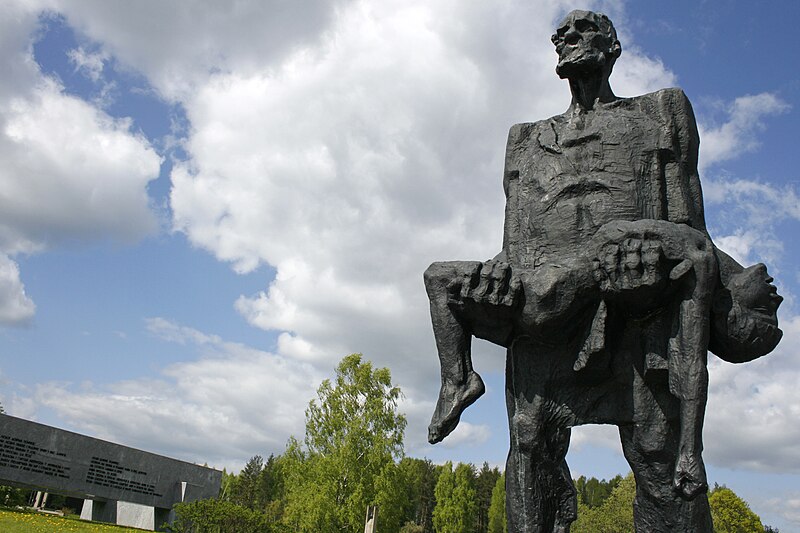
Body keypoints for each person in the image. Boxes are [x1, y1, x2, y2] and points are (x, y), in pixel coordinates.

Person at [424, 10, 782, 532]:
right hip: (548, 326)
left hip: (639, 317)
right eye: (561, 34)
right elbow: (515, 244)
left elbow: (687, 228)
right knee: (530, 443)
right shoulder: (526, 139)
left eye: (584, 30)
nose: (569, 38)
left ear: (612, 47)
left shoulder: (661, 111)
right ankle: (459, 381)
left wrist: (717, 280)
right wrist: (496, 276)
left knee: (660, 460)